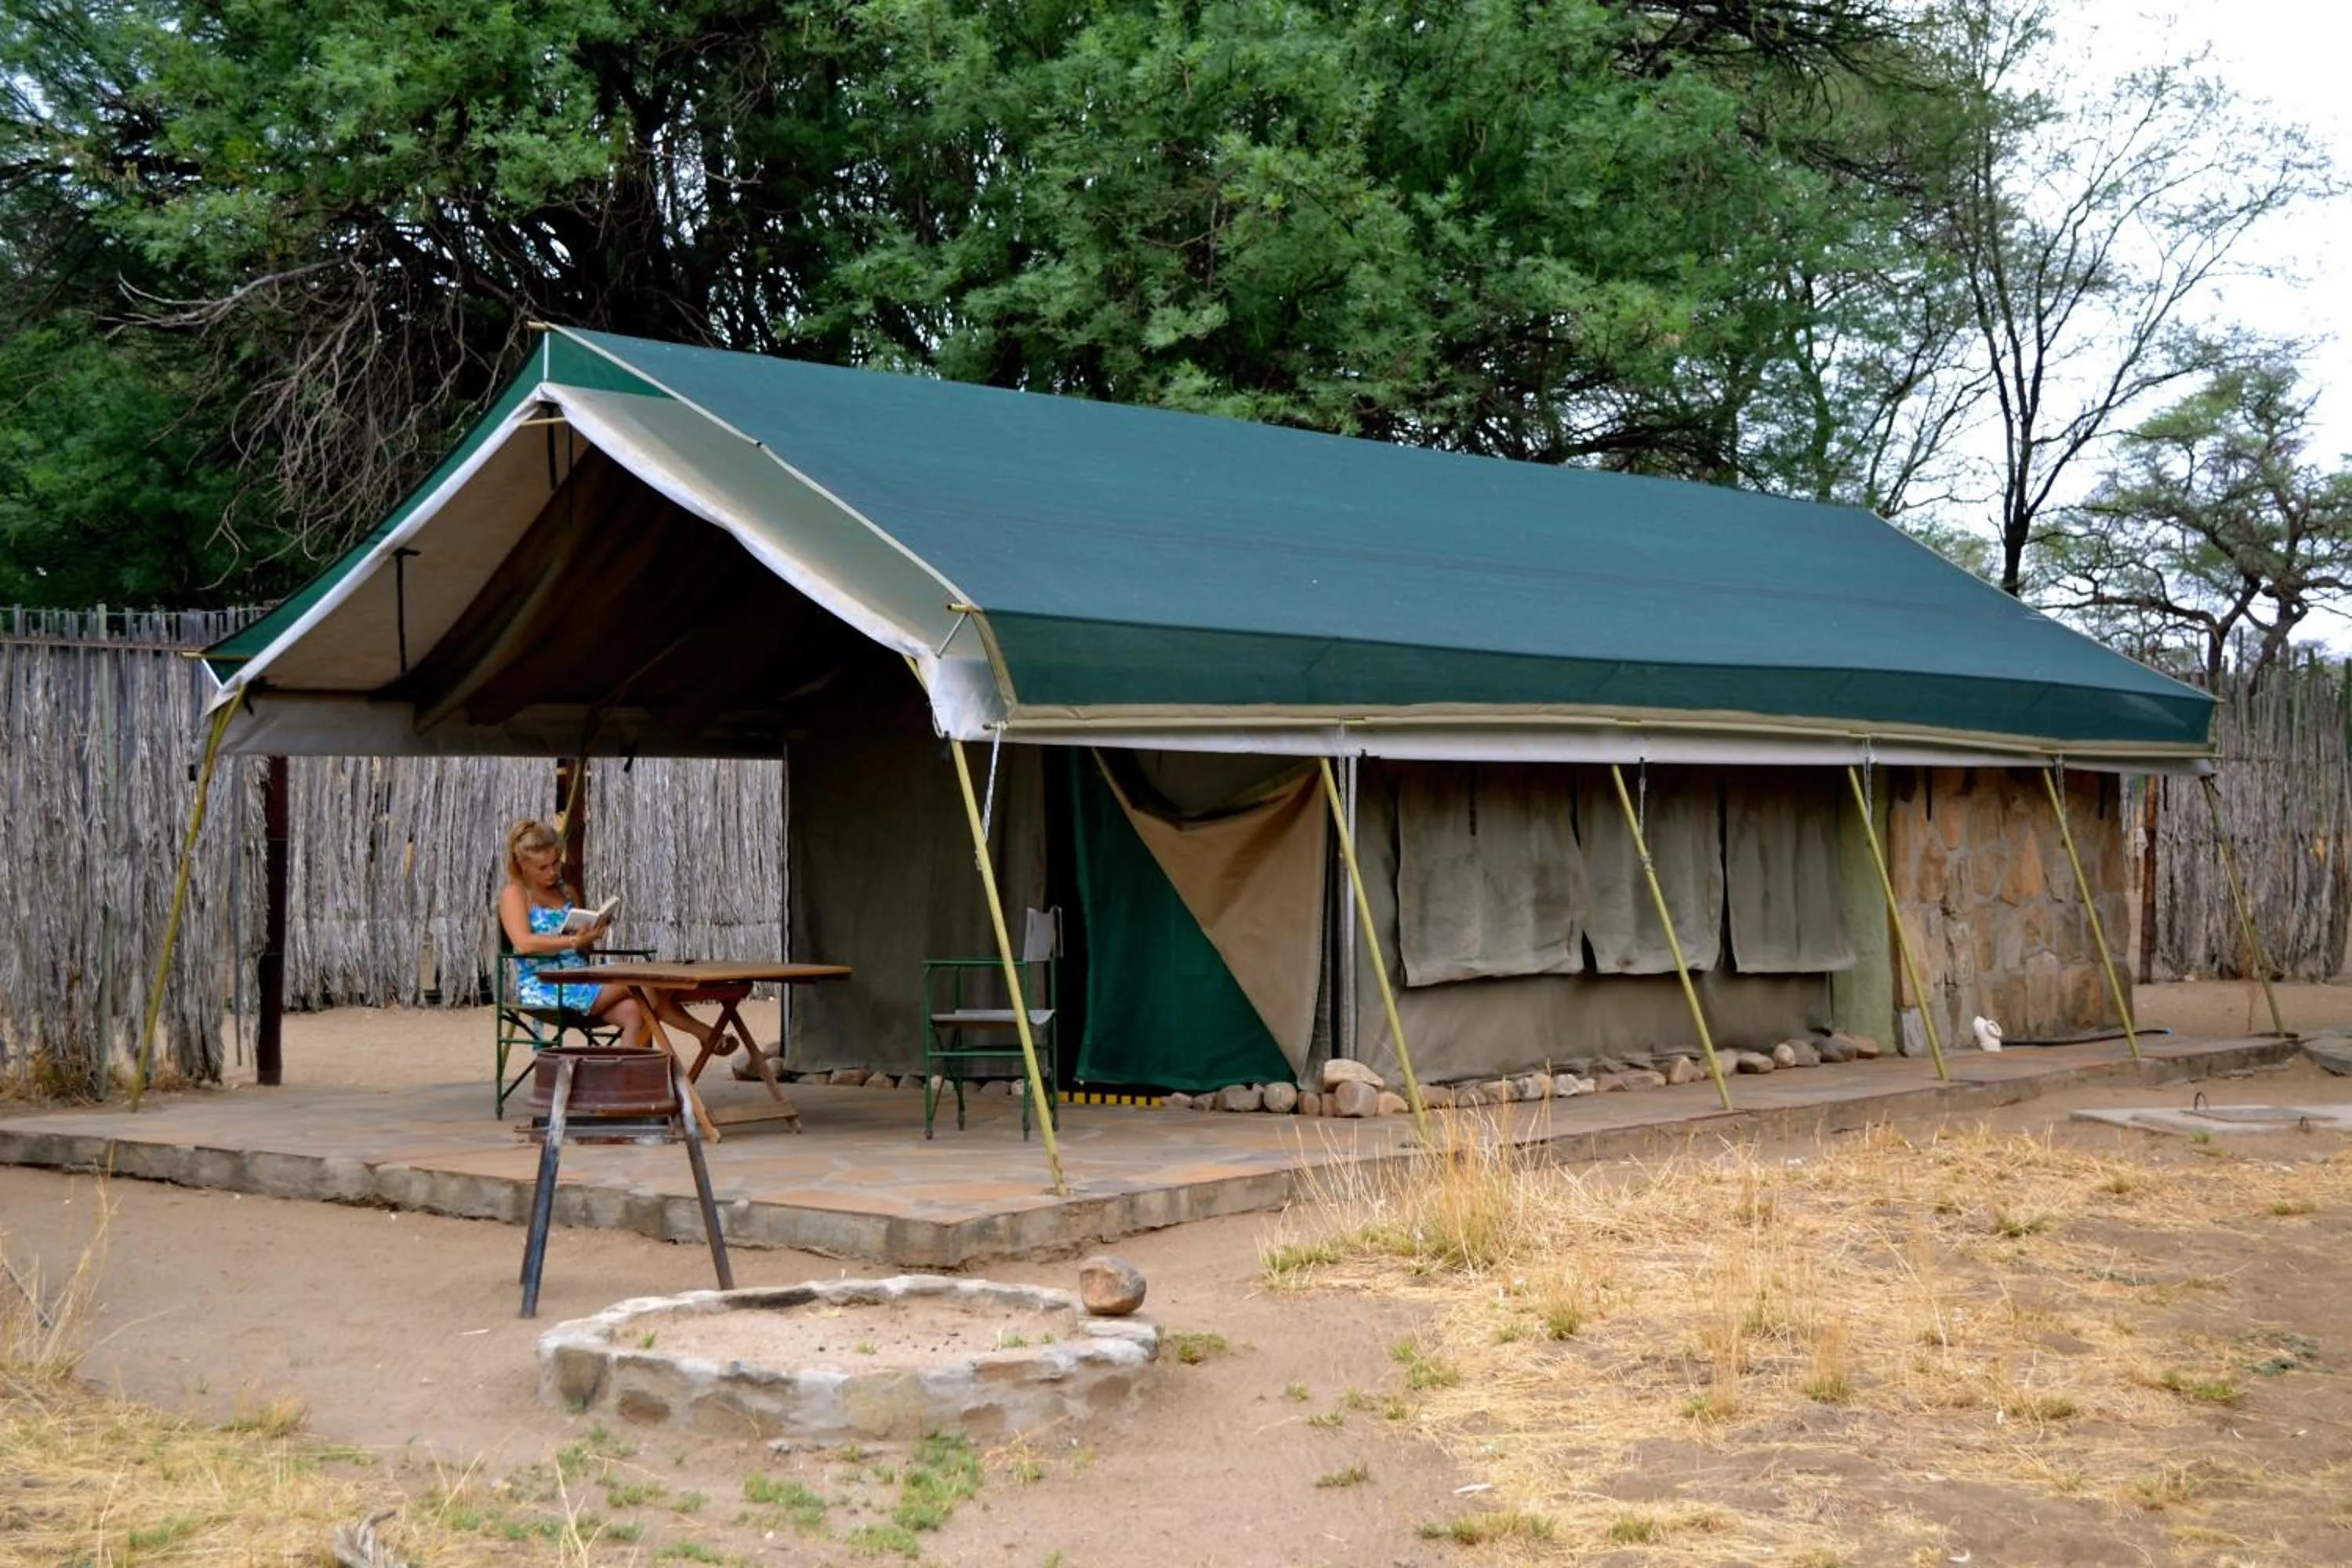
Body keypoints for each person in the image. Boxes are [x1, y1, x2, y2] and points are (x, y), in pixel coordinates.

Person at [498, 818, 720, 1054]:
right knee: (640, 982)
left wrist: (591, 933)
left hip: (582, 977)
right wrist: (572, 941)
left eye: (555, 863)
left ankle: (627, 1074)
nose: (552, 872)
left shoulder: (567, 892)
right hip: (546, 985)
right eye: (543, 868)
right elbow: (523, 943)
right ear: (522, 865)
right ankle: (704, 1035)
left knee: (637, 1011)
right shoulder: (515, 894)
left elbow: (583, 951)